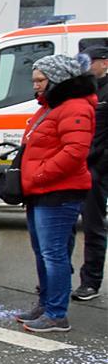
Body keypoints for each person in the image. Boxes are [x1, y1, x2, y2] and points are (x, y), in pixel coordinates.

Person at [14, 54, 96, 333]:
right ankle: (46, 304)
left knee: (54, 255)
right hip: (41, 192)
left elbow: (75, 152)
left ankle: (57, 313)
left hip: (59, 193)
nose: (35, 85)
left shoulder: (74, 107)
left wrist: (38, 175)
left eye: (40, 80)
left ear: (57, 79)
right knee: (42, 253)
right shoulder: (51, 107)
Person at [71, 45, 108, 301]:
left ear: (104, 62)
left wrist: (99, 164)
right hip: (76, 166)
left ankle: (91, 282)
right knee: (68, 225)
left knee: (94, 226)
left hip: (97, 167)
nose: (86, 65)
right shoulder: (84, 88)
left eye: (91, 61)